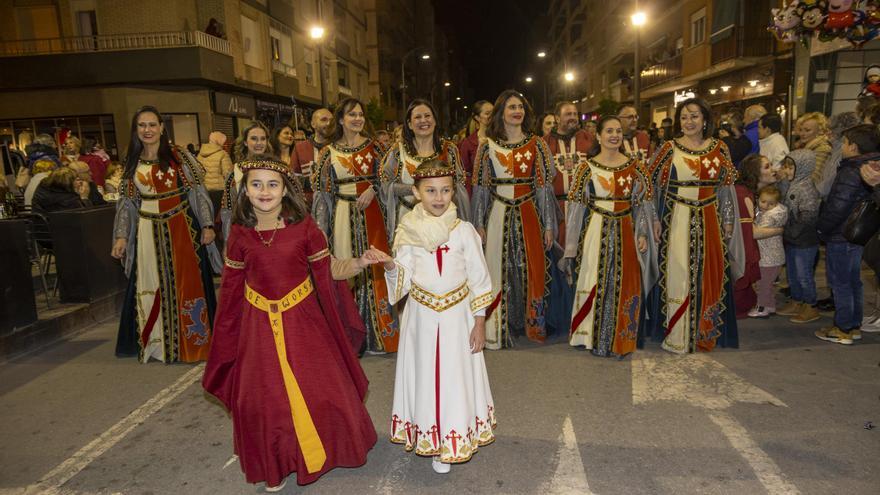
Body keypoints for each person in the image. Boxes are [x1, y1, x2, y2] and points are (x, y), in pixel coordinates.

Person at [203, 156, 377, 491]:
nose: (264, 191)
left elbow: (328, 271)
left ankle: (326, 451)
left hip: (303, 323)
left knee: (322, 390)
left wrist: (358, 262)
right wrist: (227, 339)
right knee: (264, 399)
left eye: (272, 184)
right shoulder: (238, 235)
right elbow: (231, 291)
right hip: (258, 329)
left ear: (285, 190)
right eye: (256, 184)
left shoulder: (305, 227)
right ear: (245, 191)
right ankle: (277, 463)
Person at [379, 159, 496, 474]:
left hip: (458, 318)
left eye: (445, 190)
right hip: (422, 318)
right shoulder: (407, 231)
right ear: (416, 193)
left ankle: (454, 438)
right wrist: (391, 267)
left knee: (456, 379)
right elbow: (402, 278)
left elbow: (480, 279)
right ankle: (432, 438)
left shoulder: (464, 231)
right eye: (430, 190)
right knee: (426, 377)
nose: (439, 197)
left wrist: (480, 321)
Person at [111, 105, 220, 363]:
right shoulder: (131, 162)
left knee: (186, 284)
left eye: (152, 124)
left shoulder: (180, 157)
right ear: (136, 130)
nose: (147, 130)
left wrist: (207, 225)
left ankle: (190, 343)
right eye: (142, 125)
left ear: (162, 127)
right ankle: (157, 344)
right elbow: (127, 204)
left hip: (182, 228)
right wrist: (121, 236)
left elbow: (198, 192)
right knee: (150, 283)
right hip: (147, 231)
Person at [648, 98, 744, 353]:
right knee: (678, 273)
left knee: (708, 273)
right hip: (676, 218)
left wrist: (728, 220)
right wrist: (655, 220)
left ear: (705, 119)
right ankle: (677, 332)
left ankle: (704, 330)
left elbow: (725, 188)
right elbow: (652, 186)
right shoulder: (668, 148)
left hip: (710, 219)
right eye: (684, 117)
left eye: (694, 116)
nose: (688, 122)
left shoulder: (719, 148)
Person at [562, 116, 657, 357]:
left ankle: (621, 335)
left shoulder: (635, 167)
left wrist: (643, 232)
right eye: (609, 131)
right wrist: (572, 245)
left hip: (626, 227)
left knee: (625, 281)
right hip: (596, 229)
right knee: (595, 277)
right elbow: (575, 208)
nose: (614, 135)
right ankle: (593, 335)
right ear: (599, 135)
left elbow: (643, 203)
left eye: (618, 131)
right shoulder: (586, 167)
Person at [312, 97, 398, 353]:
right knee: (346, 271)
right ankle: (351, 336)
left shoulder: (376, 148)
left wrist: (373, 189)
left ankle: (382, 334)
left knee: (376, 269)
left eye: (360, 114)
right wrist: (319, 229)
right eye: (352, 115)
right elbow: (321, 195)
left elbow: (390, 181)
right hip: (341, 216)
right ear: (341, 119)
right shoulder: (328, 153)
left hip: (372, 216)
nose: (358, 119)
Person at [471, 89, 556, 349]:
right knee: (498, 267)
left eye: (520, 107)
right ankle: (499, 325)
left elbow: (543, 187)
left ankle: (529, 323)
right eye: (511, 107)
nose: (517, 111)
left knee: (529, 266)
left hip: (529, 210)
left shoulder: (537, 144)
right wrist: (479, 223)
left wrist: (549, 224)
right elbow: (481, 188)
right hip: (498, 211)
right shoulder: (488, 147)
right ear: (501, 113)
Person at [814, 124, 878, 345]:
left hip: (842, 235)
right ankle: (853, 325)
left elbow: (837, 206)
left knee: (841, 282)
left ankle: (843, 328)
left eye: (844, 142)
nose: (841, 146)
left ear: (853, 146)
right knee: (853, 281)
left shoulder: (851, 171)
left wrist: (822, 228)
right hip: (857, 235)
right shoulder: (868, 167)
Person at [542, 101, 595, 338]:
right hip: (556, 209)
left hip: (584, 209)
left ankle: (582, 314)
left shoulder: (589, 140)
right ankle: (559, 318)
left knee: (582, 260)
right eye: (568, 114)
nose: (573, 117)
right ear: (557, 117)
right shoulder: (544, 143)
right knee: (557, 261)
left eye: (575, 113)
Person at [380, 99, 470, 235]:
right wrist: (415, 190)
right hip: (406, 220)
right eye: (417, 117)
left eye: (427, 116)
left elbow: (459, 186)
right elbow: (385, 184)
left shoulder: (449, 150)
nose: (423, 120)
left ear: (434, 120)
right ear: (409, 124)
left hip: (443, 222)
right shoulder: (398, 151)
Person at [775, 150, 822, 324]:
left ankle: (810, 305)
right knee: (793, 273)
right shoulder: (793, 183)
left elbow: (808, 216)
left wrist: (792, 232)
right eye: (785, 166)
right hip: (792, 238)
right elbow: (782, 198)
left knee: (804, 274)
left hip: (804, 240)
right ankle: (797, 300)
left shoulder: (807, 188)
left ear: (802, 168)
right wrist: (782, 181)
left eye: (790, 167)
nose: (786, 170)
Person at [221, 122, 273, 239]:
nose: (259, 143)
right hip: (246, 234)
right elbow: (228, 211)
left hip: (274, 231)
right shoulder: (235, 173)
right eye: (254, 139)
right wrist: (228, 242)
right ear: (245, 142)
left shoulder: (277, 169)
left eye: (263, 139)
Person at [731, 154, 764, 318]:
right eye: (767, 167)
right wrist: (780, 230)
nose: (774, 169)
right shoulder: (742, 194)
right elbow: (748, 233)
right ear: (755, 173)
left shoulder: (752, 192)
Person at [748, 185, 788, 318]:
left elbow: (756, 232)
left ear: (776, 203)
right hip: (771, 256)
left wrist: (749, 221)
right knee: (767, 284)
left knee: (763, 284)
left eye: (770, 203)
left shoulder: (771, 216)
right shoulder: (764, 212)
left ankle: (761, 308)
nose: (765, 205)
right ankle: (770, 306)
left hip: (769, 257)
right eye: (763, 201)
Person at [291, 108, 334, 206]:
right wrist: (315, 181)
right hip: (308, 206)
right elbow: (293, 179)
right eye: (324, 120)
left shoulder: (339, 147)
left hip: (335, 205)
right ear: (313, 124)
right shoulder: (300, 148)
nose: (328, 123)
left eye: (331, 121)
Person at [458, 100, 493, 192]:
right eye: (487, 113)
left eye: (494, 112)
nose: (492, 116)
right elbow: (464, 174)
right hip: (479, 194)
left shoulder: (504, 139)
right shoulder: (468, 143)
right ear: (477, 117)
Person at [793, 113, 833, 189]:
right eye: (801, 130)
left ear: (820, 131)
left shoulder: (823, 149)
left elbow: (814, 178)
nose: (802, 134)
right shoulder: (804, 147)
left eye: (807, 130)